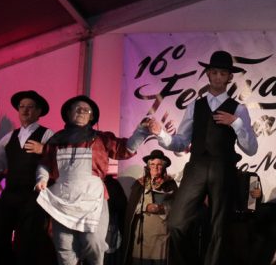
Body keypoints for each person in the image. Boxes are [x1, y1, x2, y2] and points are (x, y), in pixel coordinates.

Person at [136, 50, 258, 265]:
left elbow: (251, 149)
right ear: (208, 74)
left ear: (230, 77)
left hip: (223, 168)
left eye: (223, 73)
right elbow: (181, 142)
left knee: (219, 229)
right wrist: (160, 133)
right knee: (176, 223)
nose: (218, 77)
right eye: (214, 72)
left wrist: (236, 123)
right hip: (197, 167)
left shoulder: (238, 109)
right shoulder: (195, 105)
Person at [30, 96, 148, 265]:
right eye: (77, 108)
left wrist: (141, 132)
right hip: (62, 197)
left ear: (92, 117)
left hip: (92, 197)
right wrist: (42, 179)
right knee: (64, 246)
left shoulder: (101, 139)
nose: (82, 112)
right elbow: (45, 164)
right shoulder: (56, 140)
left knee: (93, 242)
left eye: (86, 110)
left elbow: (126, 149)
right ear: (68, 113)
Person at [0, 90, 56, 264]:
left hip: (33, 195)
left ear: (39, 111)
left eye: (30, 107)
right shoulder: (8, 138)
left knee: (27, 241)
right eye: (22, 107)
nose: (25, 110)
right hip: (10, 194)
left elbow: (54, 161)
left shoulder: (47, 134)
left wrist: (44, 150)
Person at [121, 150, 178, 265]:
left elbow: (176, 206)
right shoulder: (140, 184)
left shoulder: (170, 184)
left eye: (159, 165)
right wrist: (146, 207)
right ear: (148, 166)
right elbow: (132, 207)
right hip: (142, 235)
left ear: (164, 166)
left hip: (161, 235)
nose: (155, 167)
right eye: (152, 164)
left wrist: (162, 208)